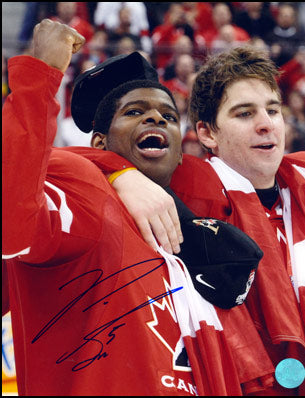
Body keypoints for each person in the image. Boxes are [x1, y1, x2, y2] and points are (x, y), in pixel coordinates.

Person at [3, 19, 263, 396]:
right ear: (98, 143)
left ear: (179, 155)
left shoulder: (188, 247)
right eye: (134, 112)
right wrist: (42, 72)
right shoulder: (84, 191)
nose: (156, 118)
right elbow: (13, 223)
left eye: (169, 116)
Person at [109, 46, 305, 396]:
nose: (266, 124)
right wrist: (120, 174)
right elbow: (63, 165)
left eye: (272, 110)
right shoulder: (184, 183)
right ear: (207, 134)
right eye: (244, 114)